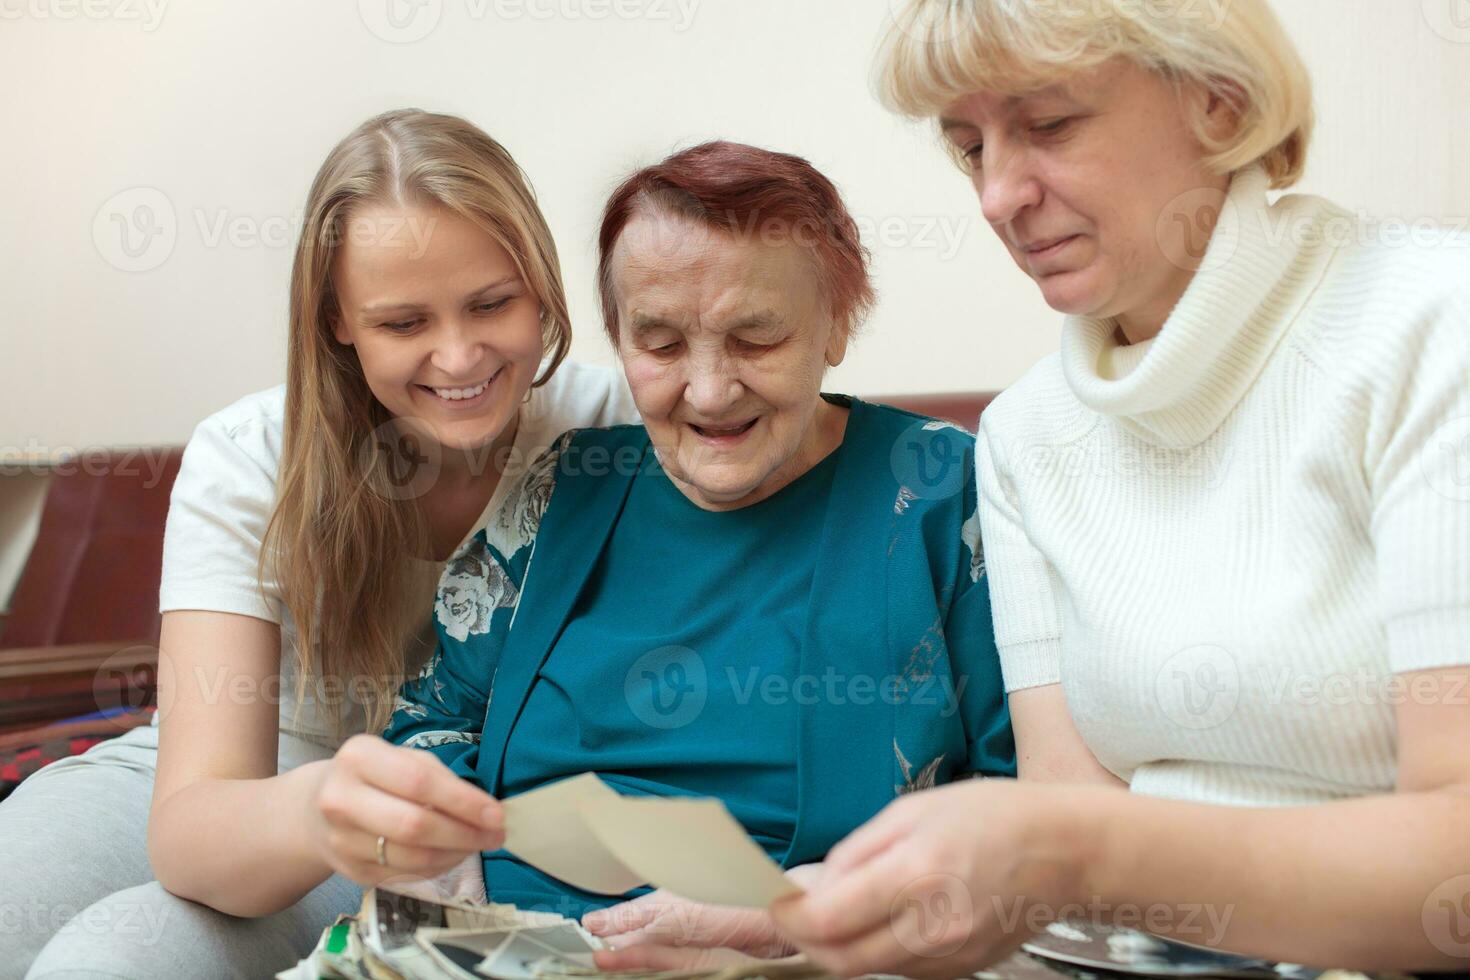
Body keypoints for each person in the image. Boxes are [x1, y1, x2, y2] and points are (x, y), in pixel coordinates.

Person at [762, 0, 1470, 974]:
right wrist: (792, 920)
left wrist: (1069, 852)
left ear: (1220, 104)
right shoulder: (1024, 436)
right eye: (969, 147)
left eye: (1048, 124)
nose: (998, 195)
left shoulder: (1436, 327)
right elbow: (1079, 836)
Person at [4, 109, 639, 980]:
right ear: (337, 321)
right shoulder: (248, 456)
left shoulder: (618, 430)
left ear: (541, 284)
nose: (458, 357)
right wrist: (320, 805)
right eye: (403, 323)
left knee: (111, 961)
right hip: (251, 788)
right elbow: (193, 824)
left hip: (443, 821)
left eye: (493, 303)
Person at [383, 140, 1015, 929]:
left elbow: (1022, 808)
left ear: (837, 326)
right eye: (662, 344)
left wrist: (796, 926)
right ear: (618, 338)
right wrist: (453, 900)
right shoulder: (563, 488)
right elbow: (431, 722)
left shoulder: (937, 490)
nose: (711, 391)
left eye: (756, 339)